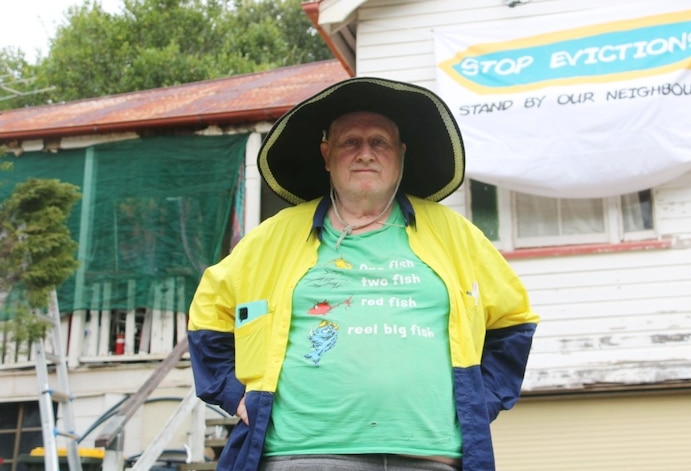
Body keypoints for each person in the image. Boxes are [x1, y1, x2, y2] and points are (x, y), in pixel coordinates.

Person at [187, 77, 539, 471]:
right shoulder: (275, 236)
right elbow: (208, 315)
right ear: (327, 154)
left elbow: (513, 321)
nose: (365, 153)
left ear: (400, 154)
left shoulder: (454, 234)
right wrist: (234, 392)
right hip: (303, 454)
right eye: (350, 142)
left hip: (431, 455)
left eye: (379, 142)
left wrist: (480, 398)